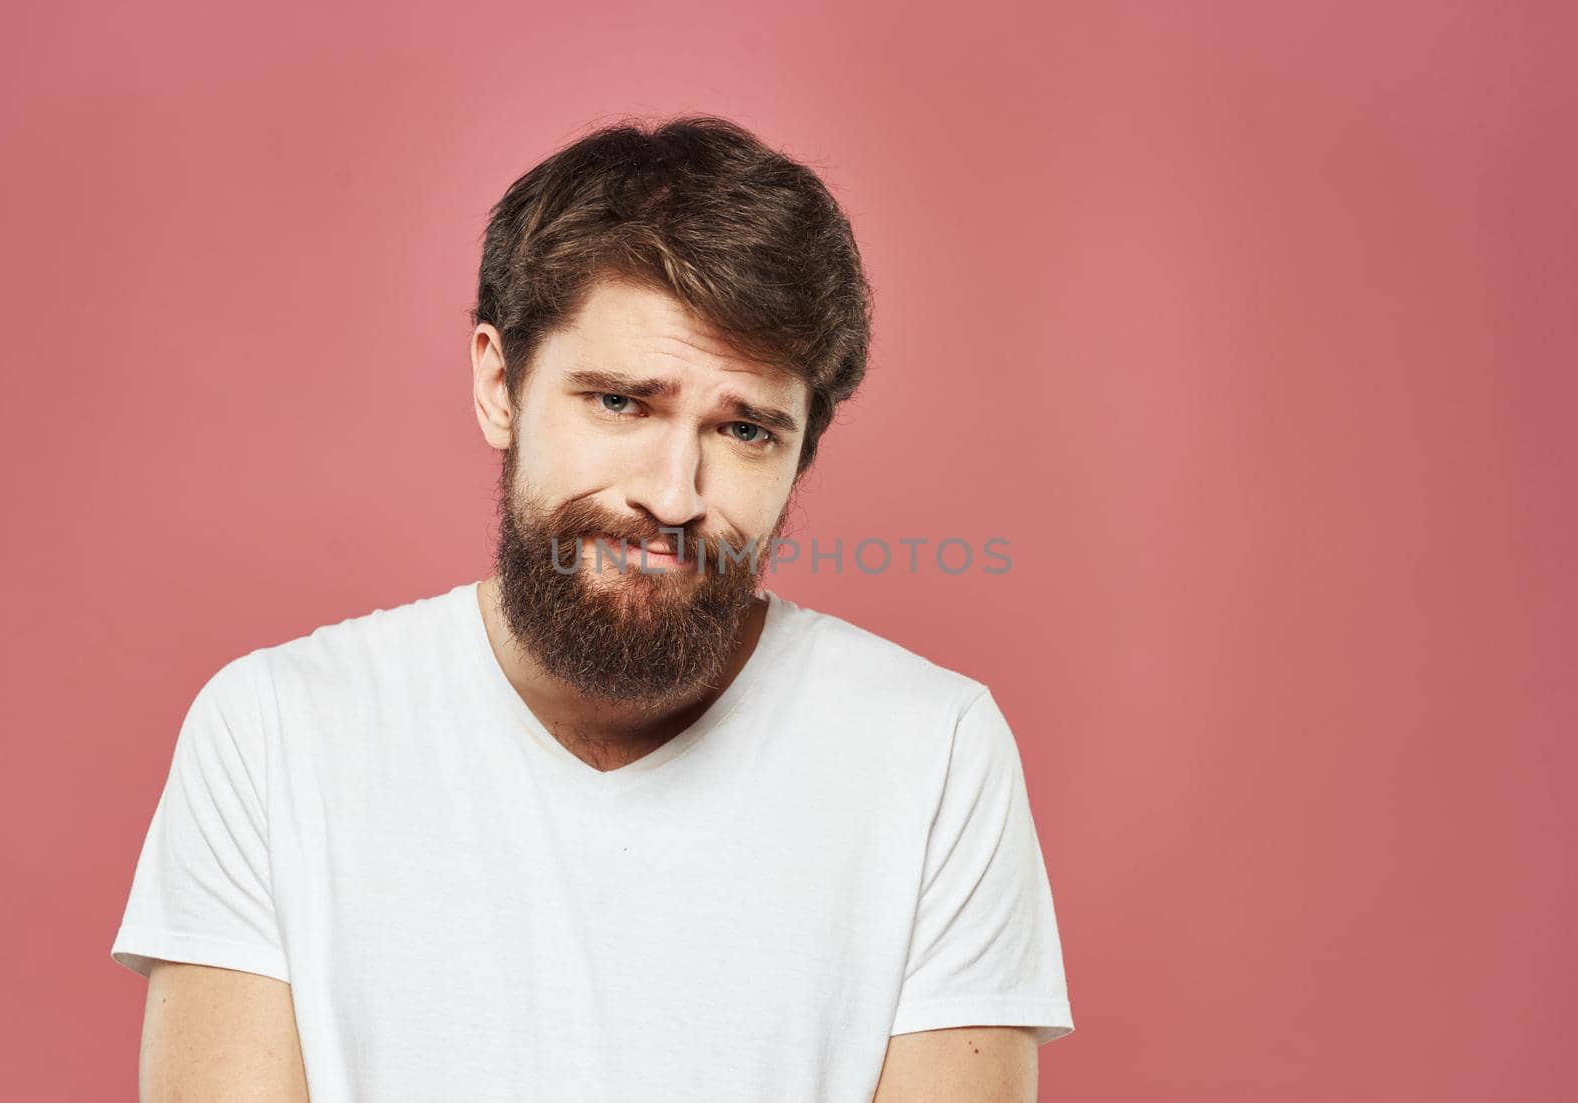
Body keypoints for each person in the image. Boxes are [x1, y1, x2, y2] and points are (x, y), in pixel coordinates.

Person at [110, 114, 1074, 1101]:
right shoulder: (275, 731)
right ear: (499, 384)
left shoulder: (933, 750)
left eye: (744, 428)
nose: (672, 490)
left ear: (800, 455)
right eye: (620, 402)